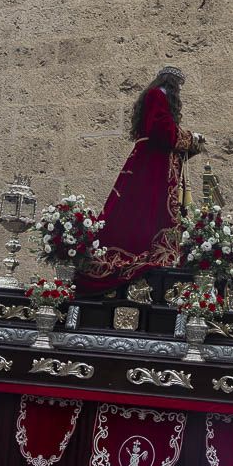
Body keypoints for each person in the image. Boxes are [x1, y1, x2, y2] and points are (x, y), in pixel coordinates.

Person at [75, 66, 205, 295]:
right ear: (171, 83)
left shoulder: (155, 95)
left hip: (154, 159)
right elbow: (164, 132)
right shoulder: (158, 95)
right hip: (153, 163)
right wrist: (190, 138)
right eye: (178, 86)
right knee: (146, 208)